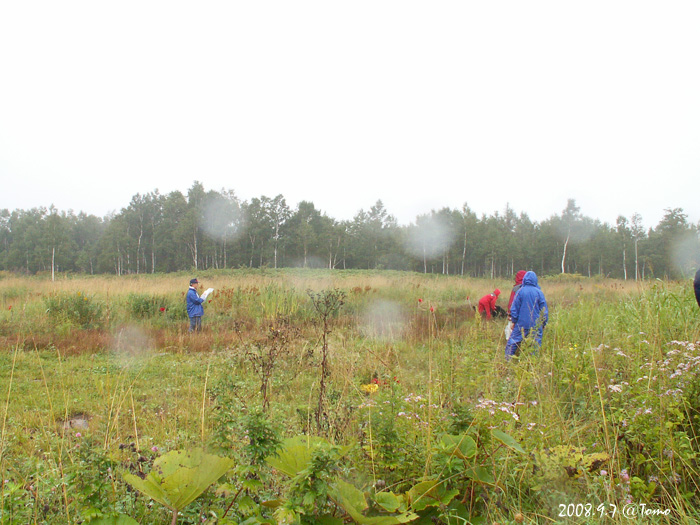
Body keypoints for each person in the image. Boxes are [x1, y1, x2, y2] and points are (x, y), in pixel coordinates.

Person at [505, 271, 548, 360]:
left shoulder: (520, 291)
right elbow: (544, 310)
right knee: (535, 344)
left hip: (521, 323)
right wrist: (543, 323)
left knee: (513, 342)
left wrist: (514, 321)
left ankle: (507, 360)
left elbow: (514, 308)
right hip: (536, 323)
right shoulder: (539, 292)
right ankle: (533, 362)